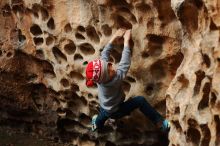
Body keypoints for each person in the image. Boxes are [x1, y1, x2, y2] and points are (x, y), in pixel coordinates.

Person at [85, 28, 170, 132]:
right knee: (140, 101)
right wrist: (126, 41)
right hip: (117, 110)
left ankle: (97, 124)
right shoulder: (114, 80)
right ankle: (160, 123)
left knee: (103, 115)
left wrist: (114, 38)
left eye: (108, 64)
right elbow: (124, 63)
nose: (111, 66)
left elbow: (104, 55)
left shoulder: (99, 78)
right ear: (106, 76)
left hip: (104, 105)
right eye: (109, 69)